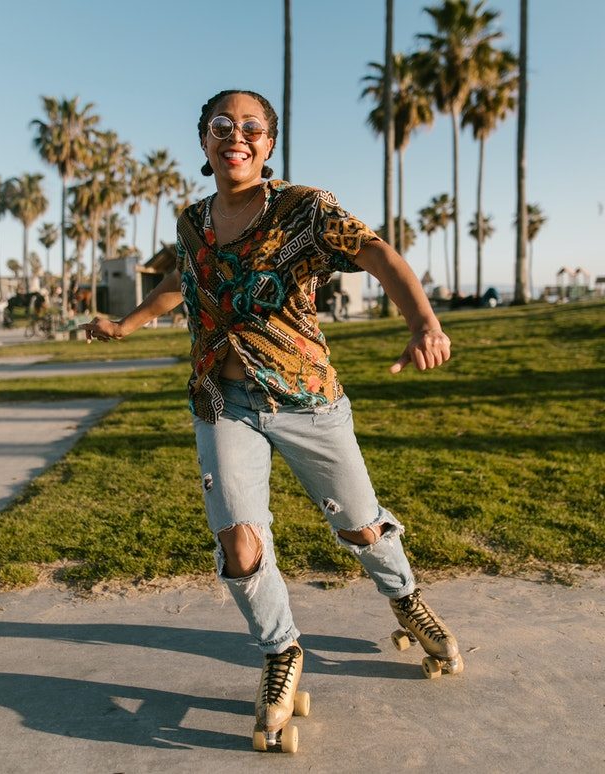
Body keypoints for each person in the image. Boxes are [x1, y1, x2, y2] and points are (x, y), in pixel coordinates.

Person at [80, 89, 462, 753]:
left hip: (307, 398)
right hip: (222, 401)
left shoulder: (302, 209)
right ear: (204, 140)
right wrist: (126, 322)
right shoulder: (193, 220)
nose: (237, 136)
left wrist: (424, 322)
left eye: (252, 127)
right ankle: (281, 650)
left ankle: (404, 598)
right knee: (239, 544)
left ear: (269, 143)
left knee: (362, 528)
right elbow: (184, 282)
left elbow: (376, 254)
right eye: (222, 126)